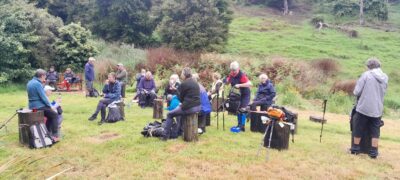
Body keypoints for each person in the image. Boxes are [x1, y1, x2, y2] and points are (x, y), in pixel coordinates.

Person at [350, 58, 388, 158]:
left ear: (369, 66)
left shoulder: (366, 75)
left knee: (358, 127)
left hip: (363, 107)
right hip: (377, 109)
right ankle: (373, 153)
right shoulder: (385, 77)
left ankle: (355, 149)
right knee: (375, 131)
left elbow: (356, 92)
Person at [162, 67, 201, 141]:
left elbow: (180, 98)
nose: (181, 75)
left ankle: (165, 136)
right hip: (198, 106)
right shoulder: (195, 82)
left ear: (184, 74)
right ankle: (180, 131)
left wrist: (182, 104)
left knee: (169, 114)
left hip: (189, 108)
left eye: (181, 73)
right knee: (180, 112)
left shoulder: (184, 84)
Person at [27, 69, 59, 142]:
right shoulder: (38, 84)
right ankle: (55, 136)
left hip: (32, 106)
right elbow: (43, 97)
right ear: (42, 76)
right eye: (45, 77)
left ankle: (47, 133)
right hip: (39, 106)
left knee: (50, 116)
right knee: (54, 115)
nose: (45, 78)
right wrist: (50, 106)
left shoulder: (29, 82)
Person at [225, 61, 252, 132]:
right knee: (238, 109)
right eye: (232, 71)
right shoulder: (231, 74)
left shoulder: (241, 75)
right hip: (237, 94)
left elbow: (250, 84)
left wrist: (240, 85)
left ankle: (242, 126)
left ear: (238, 68)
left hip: (245, 94)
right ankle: (239, 124)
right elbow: (228, 81)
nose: (233, 72)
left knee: (242, 109)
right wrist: (226, 81)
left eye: (235, 71)